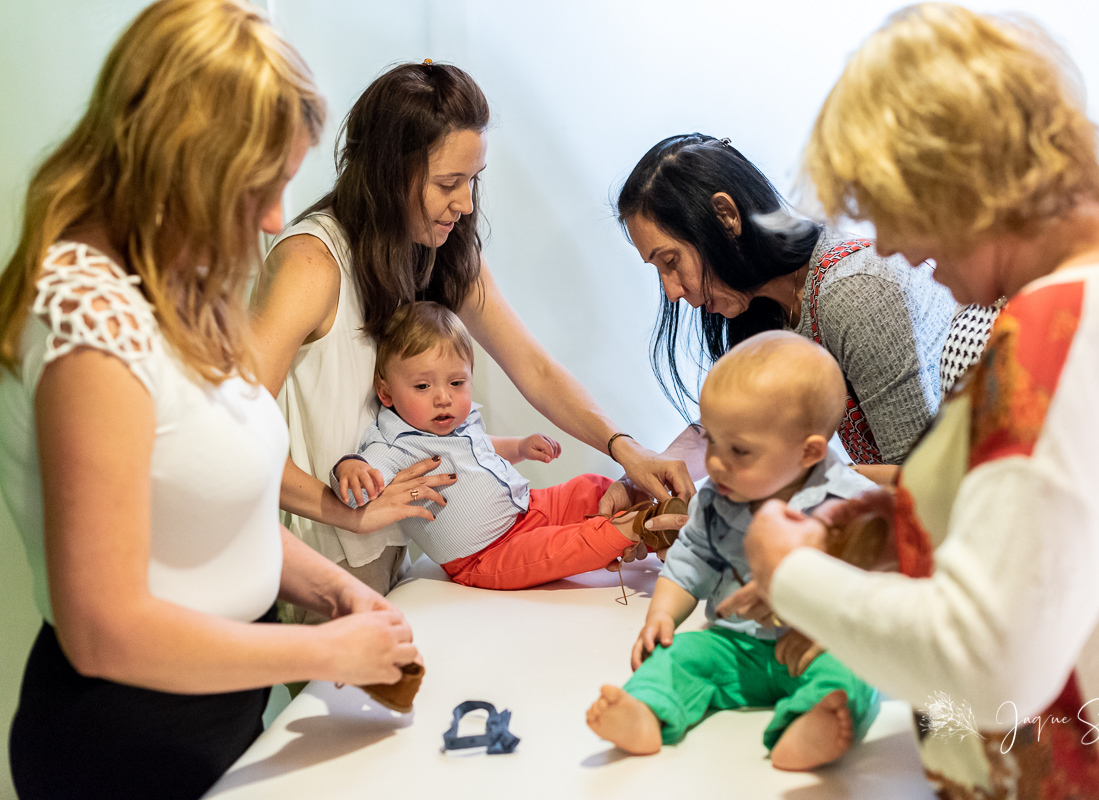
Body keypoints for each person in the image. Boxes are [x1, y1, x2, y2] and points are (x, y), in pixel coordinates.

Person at [731, 5, 1099, 798]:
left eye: (887, 206)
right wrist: (905, 522)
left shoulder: (1052, 338)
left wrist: (793, 573)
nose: (889, 246)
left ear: (950, 176)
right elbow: (1080, 539)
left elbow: (990, 664)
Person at [0, 3, 419, 797]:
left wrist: (325, 587)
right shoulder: (86, 315)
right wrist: (327, 654)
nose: (271, 219)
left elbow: (197, 508)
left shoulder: (167, 286)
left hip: (220, 720)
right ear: (183, 160)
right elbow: (103, 628)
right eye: (261, 186)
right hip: (123, 744)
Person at [251, 62, 692, 605]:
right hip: (323, 554)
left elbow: (534, 367)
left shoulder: (441, 249)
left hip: (399, 542)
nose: (464, 203)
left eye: (472, 181)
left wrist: (625, 448)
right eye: (447, 183)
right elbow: (235, 434)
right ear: (388, 172)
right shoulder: (310, 264)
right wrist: (345, 510)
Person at [586, 331, 880, 770]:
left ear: (808, 452)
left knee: (856, 673)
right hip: (734, 647)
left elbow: (875, 590)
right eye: (714, 443)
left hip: (817, 645)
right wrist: (661, 617)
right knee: (681, 656)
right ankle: (647, 710)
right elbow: (688, 564)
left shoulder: (855, 503)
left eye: (739, 450)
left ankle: (815, 721)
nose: (718, 463)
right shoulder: (714, 498)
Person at [614, 133, 956, 471]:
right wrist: (648, 473)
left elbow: (919, 479)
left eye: (671, 262)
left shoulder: (854, 290)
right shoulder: (764, 308)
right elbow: (732, 425)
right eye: (658, 270)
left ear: (725, 216)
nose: (672, 291)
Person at [331, 301, 679, 590]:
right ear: (387, 392)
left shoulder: (460, 422)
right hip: (486, 555)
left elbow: (483, 448)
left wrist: (520, 447)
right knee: (560, 549)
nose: (443, 398)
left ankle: (655, 520)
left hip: (527, 509)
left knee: (592, 488)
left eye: (456, 382)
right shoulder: (393, 442)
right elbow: (361, 480)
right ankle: (638, 528)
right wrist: (349, 468)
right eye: (422, 386)